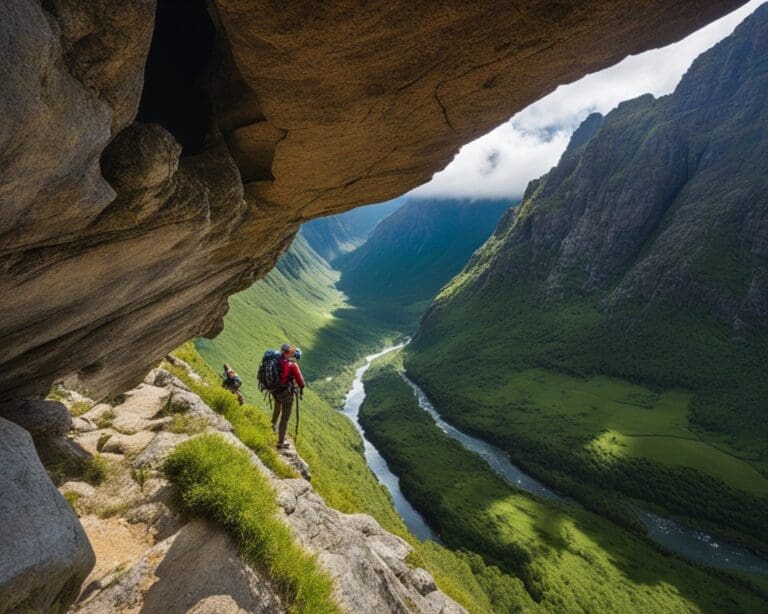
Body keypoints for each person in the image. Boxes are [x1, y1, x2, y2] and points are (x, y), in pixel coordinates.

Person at [271, 343, 305, 449]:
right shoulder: (292, 364)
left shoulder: (276, 360)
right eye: (292, 352)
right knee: (285, 418)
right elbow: (301, 382)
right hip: (286, 393)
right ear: (290, 353)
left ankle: (272, 426)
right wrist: (301, 389)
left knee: (277, 408)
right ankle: (281, 442)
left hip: (275, 390)